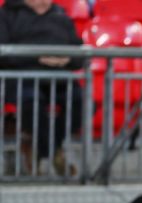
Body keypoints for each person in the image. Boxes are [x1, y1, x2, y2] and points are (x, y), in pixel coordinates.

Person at [0, 0, 85, 176]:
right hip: (24, 77)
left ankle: (41, 147)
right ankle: (55, 152)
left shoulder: (61, 15)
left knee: (81, 102)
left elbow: (79, 54)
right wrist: (38, 58)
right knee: (32, 103)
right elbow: (4, 53)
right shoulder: (7, 14)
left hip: (60, 77)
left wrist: (66, 60)